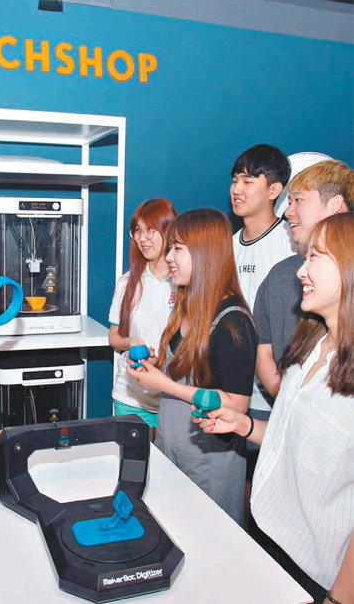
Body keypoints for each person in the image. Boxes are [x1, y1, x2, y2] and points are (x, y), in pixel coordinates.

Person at [197, 213, 354, 604]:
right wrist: (244, 425)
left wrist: (339, 597)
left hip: (322, 575)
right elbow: (289, 437)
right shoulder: (311, 345)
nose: (301, 270)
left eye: (315, 257)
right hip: (270, 537)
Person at [127, 209, 257, 524]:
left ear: (205, 254)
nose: (169, 257)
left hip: (209, 463)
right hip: (173, 448)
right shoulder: (187, 306)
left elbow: (236, 404)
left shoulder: (233, 323)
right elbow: (189, 369)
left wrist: (164, 384)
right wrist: (158, 367)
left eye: (177, 249)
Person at [254, 160, 353, 398]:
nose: (288, 212)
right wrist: (291, 402)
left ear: (335, 204)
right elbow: (264, 351)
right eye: (288, 202)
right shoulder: (279, 274)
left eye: (298, 200)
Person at [231, 143, 296, 420]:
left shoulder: (291, 245)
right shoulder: (229, 246)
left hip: (272, 394)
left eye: (248, 181)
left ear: (274, 190)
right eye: (235, 180)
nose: (237, 189)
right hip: (230, 388)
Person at [108, 198, 177, 436]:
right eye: (137, 230)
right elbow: (114, 338)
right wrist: (132, 342)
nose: (142, 238)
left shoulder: (185, 282)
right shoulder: (127, 282)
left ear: (169, 229)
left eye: (150, 229)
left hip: (174, 398)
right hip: (130, 397)